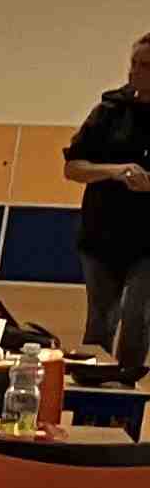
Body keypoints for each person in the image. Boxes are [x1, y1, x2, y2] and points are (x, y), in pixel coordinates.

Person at [61, 28, 150, 372]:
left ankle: (125, 386)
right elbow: (73, 168)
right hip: (102, 234)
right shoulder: (108, 111)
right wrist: (114, 171)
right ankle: (93, 388)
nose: (135, 71)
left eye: (145, 65)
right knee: (99, 322)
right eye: (134, 63)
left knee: (137, 316)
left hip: (147, 242)